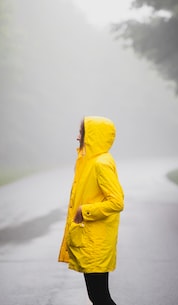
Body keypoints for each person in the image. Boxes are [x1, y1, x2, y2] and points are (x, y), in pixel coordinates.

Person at [58, 116, 124, 305]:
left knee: (100, 297)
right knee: (98, 297)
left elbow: (117, 202)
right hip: (91, 240)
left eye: (81, 133)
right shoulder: (87, 162)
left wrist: (84, 211)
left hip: (96, 242)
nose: (77, 137)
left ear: (92, 136)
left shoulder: (100, 164)